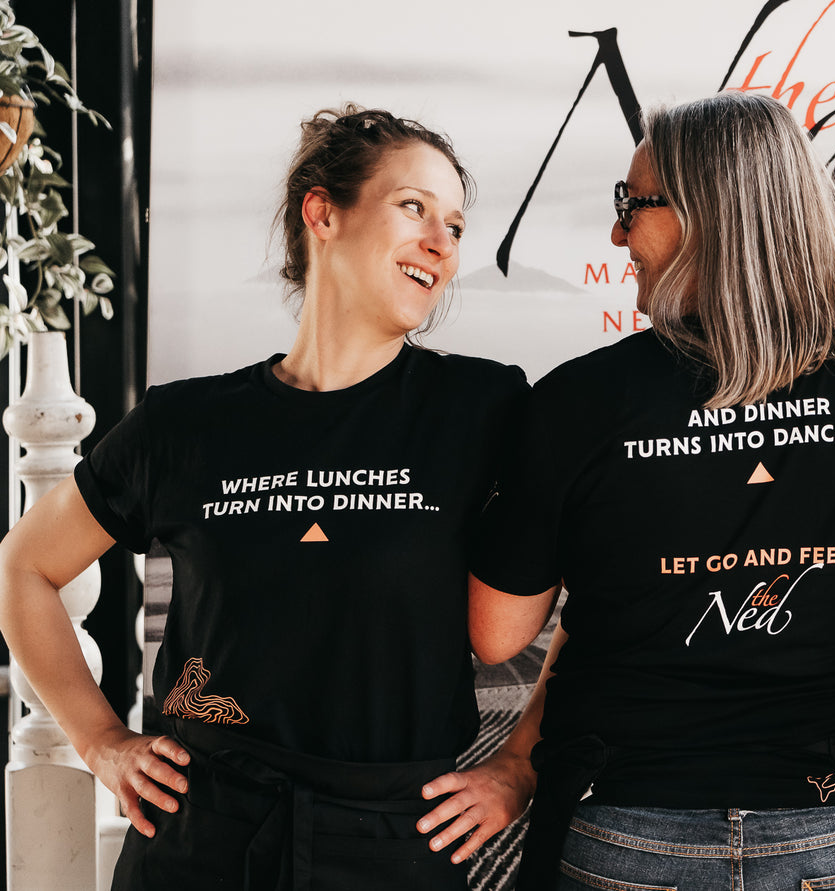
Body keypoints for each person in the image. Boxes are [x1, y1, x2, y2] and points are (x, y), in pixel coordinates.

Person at [462, 91, 835, 891]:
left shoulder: (577, 400)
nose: (616, 233)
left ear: (707, 214)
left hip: (623, 821)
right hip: (825, 825)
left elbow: (499, 632)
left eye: (630, 205)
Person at [0, 105, 529, 889]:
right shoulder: (186, 422)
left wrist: (520, 763)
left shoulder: (483, 409)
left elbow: (606, 593)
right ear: (323, 212)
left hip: (392, 838)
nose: (441, 243)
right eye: (414, 207)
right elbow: (24, 567)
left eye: (454, 225)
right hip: (202, 831)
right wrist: (101, 738)